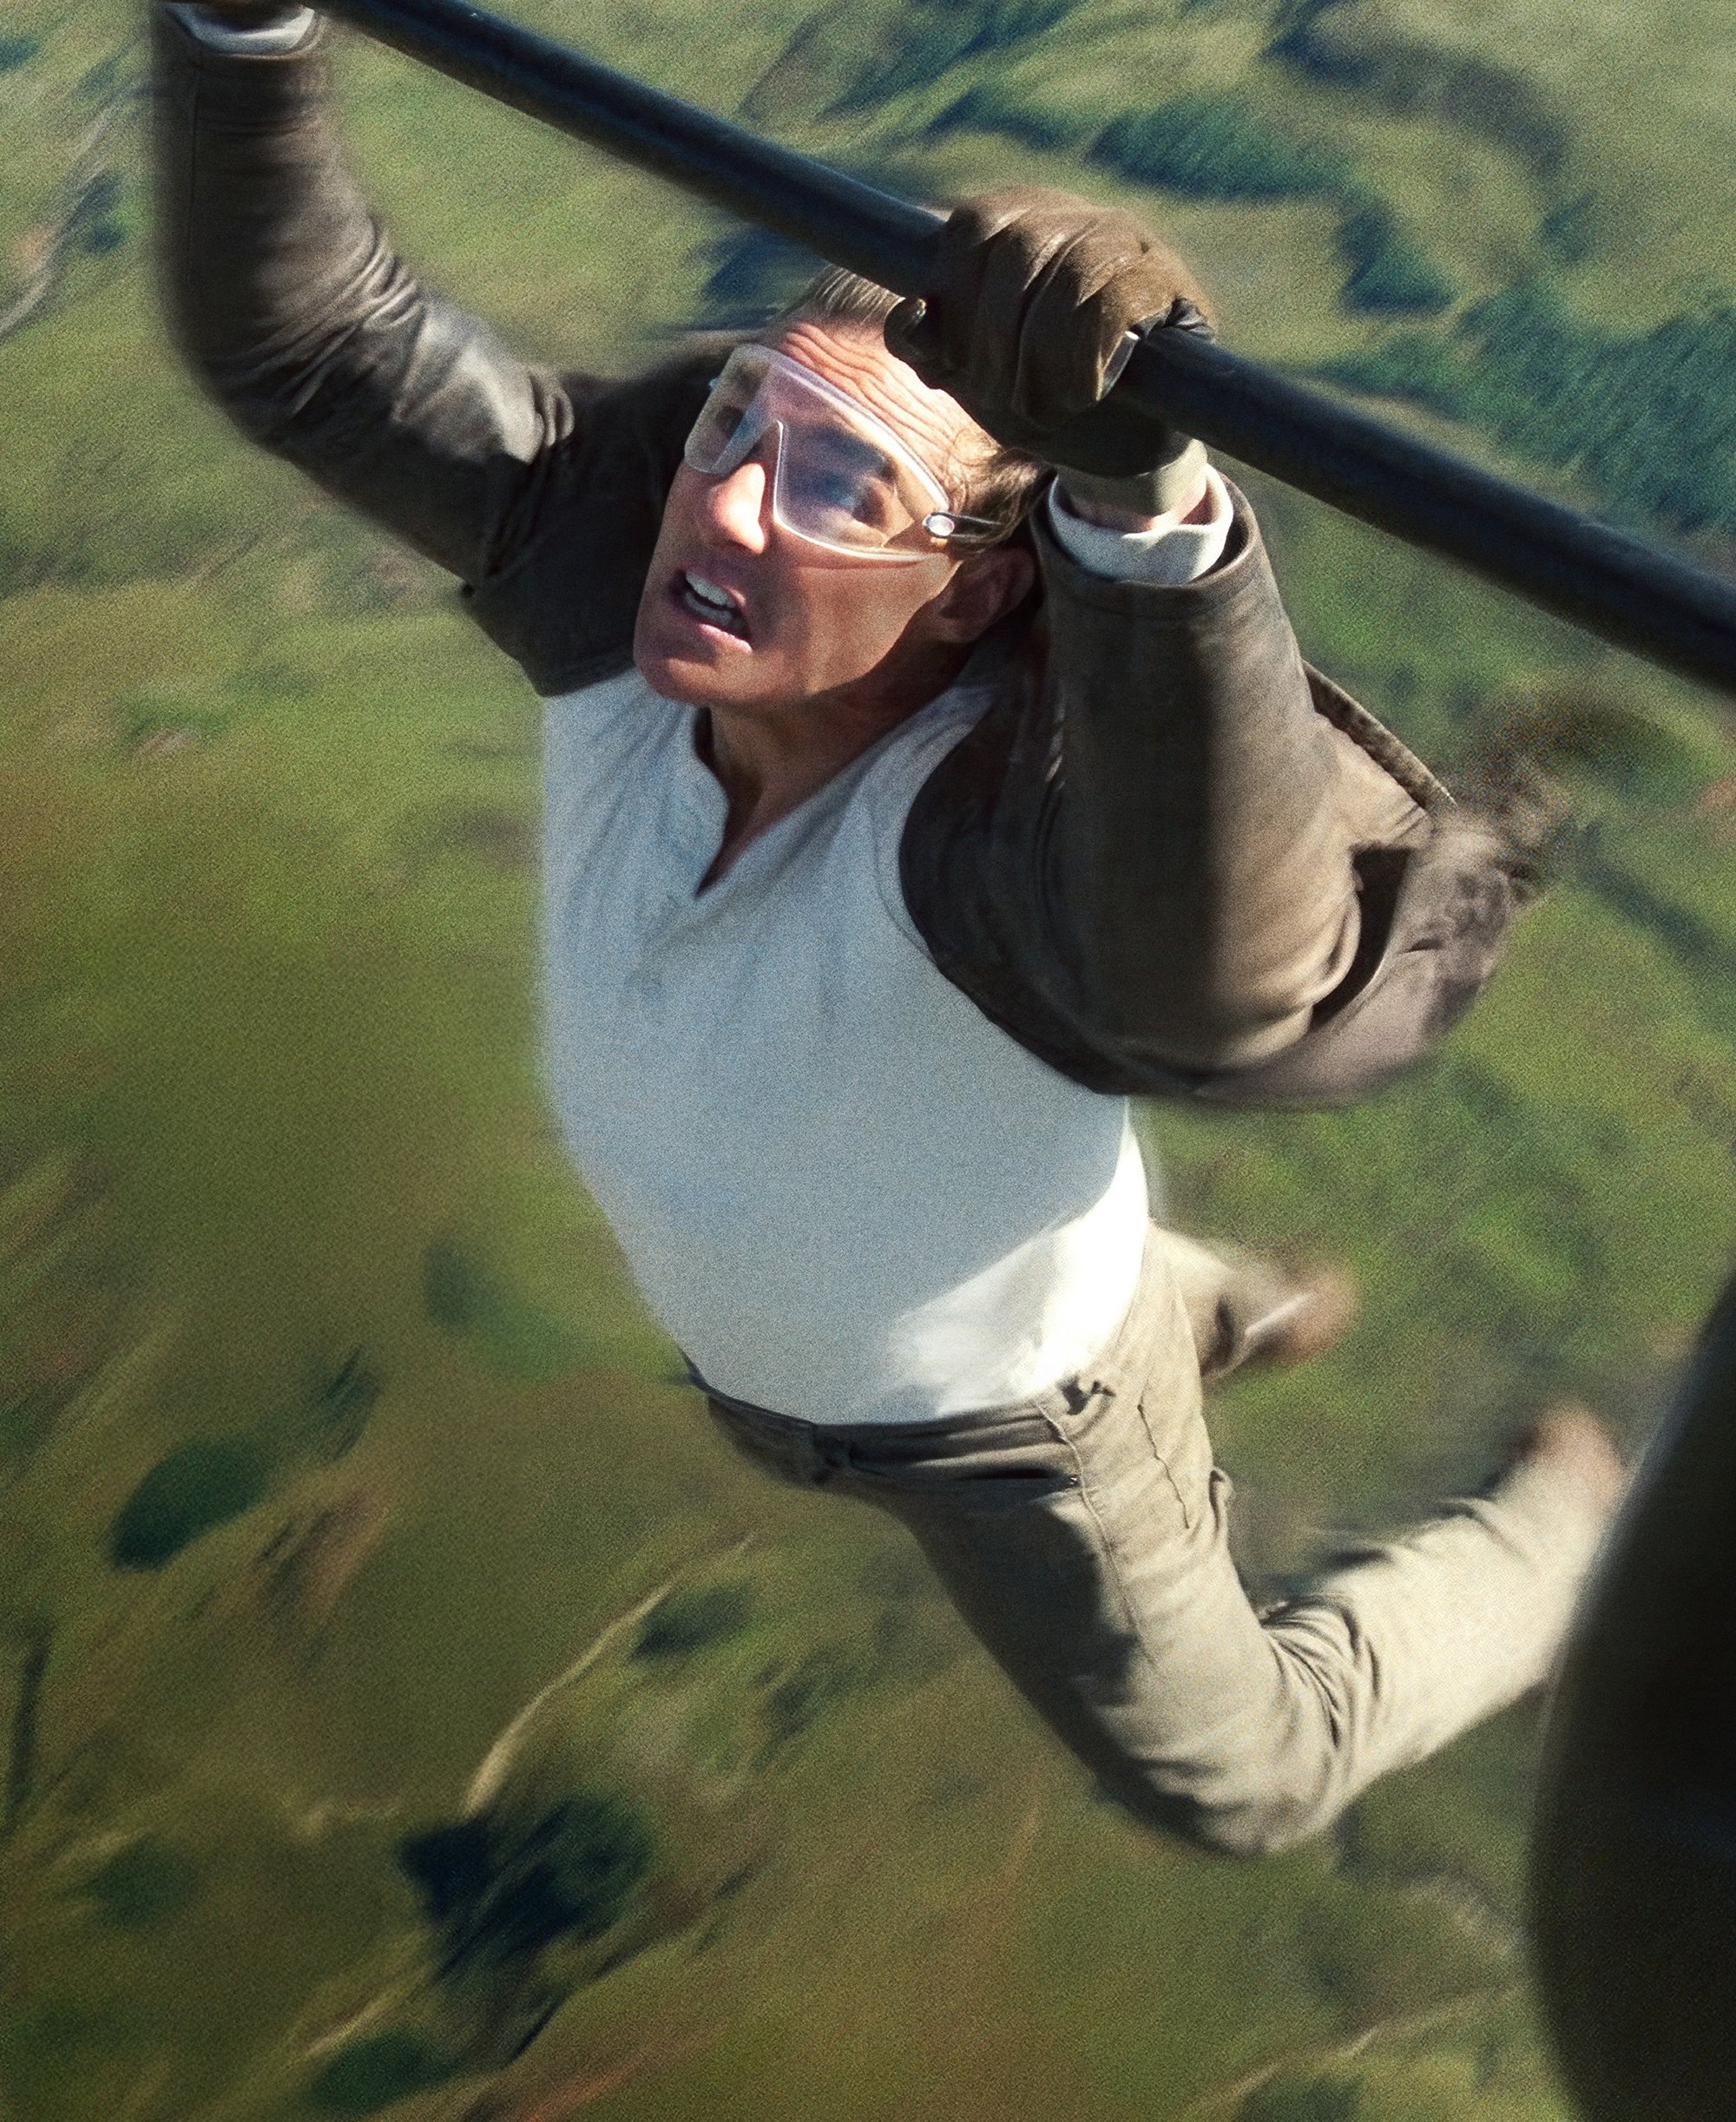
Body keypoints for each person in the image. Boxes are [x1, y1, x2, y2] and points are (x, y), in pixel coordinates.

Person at [150, 0, 1622, 1856]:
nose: (726, 502)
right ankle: (1212, 1303)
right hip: (839, 1328)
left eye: (844, 486)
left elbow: (1218, 967)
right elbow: (312, 350)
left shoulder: (982, 854)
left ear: (974, 595)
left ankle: (1564, 1541)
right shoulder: (610, 608)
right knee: (1062, 1254)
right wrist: (240, 28)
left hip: (1013, 1435)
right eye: (738, 419)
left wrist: (1144, 512)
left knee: (1244, 1777)